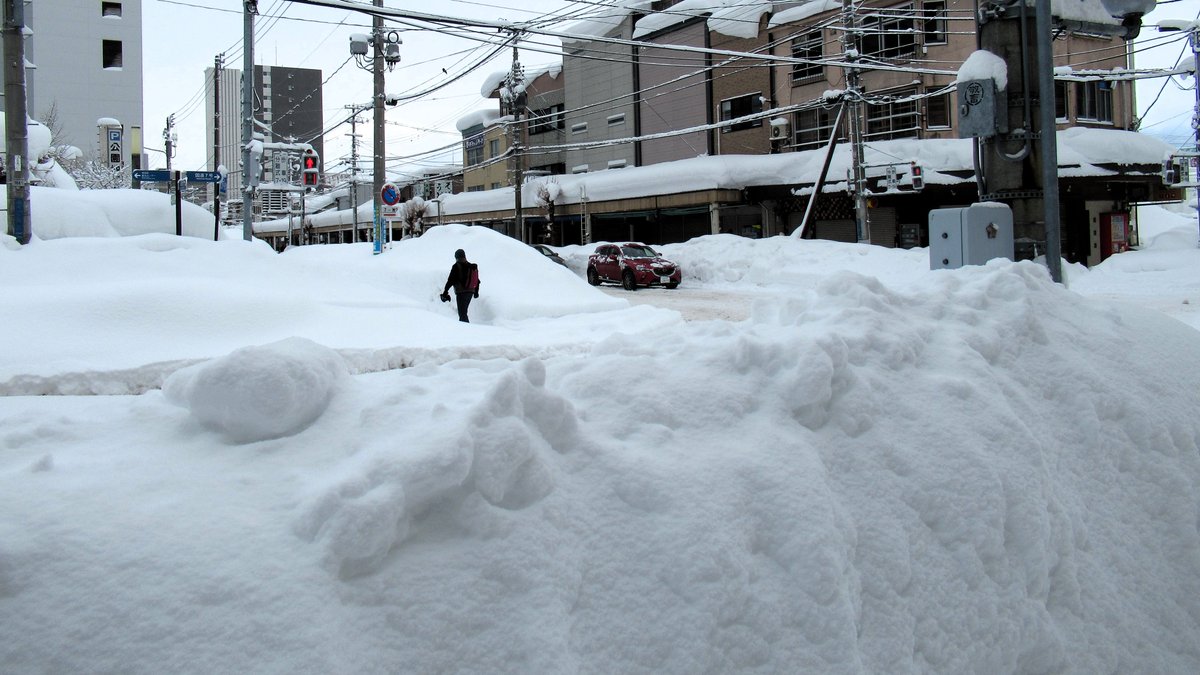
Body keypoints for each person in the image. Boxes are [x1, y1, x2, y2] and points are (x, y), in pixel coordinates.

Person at [441, 248, 480, 322]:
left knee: (462, 314)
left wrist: (445, 291)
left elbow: (450, 280)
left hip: (461, 292)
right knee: (464, 312)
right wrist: (476, 292)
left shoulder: (456, 266)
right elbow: (477, 281)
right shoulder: (471, 266)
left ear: (456, 257)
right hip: (470, 292)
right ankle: (465, 329)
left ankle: (466, 331)